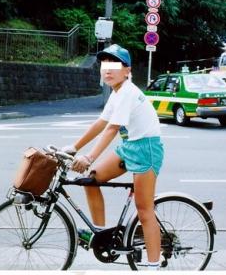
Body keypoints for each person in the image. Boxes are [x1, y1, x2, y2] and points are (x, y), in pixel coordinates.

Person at [62, 43, 164, 270]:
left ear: (127, 70)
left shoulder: (127, 92)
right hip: (128, 147)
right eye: (104, 65)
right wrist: (74, 148)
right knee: (91, 179)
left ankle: (154, 266)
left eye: (114, 65)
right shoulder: (117, 94)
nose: (107, 70)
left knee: (144, 210)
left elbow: (111, 129)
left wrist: (88, 156)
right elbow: (101, 123)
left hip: (146, 149)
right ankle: (101, 235)